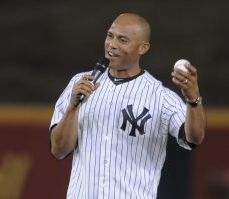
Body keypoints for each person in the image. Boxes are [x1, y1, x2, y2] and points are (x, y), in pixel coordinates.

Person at [49, 13, 206, 199]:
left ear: (143, 48)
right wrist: (72, 109)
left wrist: (192, 99)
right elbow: (58, 150)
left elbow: (194, 138)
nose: (112, 44)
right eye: (110, 36)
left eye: (122, 40)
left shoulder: (161, 97)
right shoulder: (80, 84)